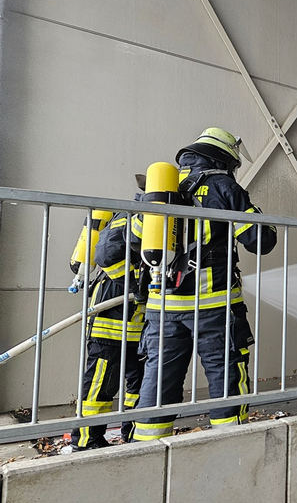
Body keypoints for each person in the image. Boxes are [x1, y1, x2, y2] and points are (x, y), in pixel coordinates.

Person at [131, 128, 277, 441]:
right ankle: (231, 443)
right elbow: (259, 240)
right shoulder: (222, 185)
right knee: (225, 374)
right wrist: (259, 218)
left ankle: (146, 446)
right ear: (225, 159)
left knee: (159, 379)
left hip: (162, 307)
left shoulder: (161, 188)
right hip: (213, 305)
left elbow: (134, 241)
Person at [71, 176, 147, 450]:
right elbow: (106, 255)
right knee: (100, 384)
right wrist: (135, 282)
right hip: (111, 317)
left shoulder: (159, 220)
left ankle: (133, 433)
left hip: (139, 324)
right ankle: (87, 440)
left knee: (138, 384)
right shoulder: (129, 217)